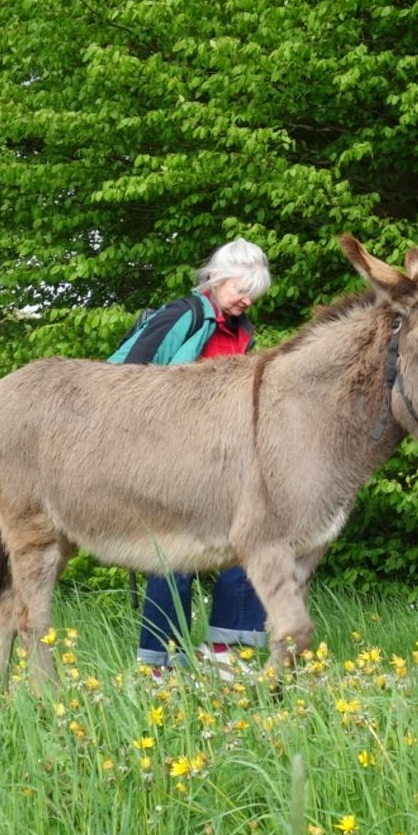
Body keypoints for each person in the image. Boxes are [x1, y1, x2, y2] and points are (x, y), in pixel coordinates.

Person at [111, 237, 272, 675]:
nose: (247, 299)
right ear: (216, 281)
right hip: (165, 457)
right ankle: (160, 666)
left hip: (220, 464)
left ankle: (224, 654)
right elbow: (117, 376)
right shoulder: (181, 316)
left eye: (254, 292)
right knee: (175, 557)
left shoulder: (242, 332)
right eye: (241, 289)